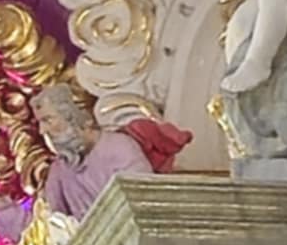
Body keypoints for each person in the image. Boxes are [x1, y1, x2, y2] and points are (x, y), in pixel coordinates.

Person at [38, 83, 191, 220]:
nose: (42, 130)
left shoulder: (118, 148)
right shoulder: (59, 172)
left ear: (75, 117)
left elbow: (144, 201)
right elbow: (52, 221)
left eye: (48, 120)